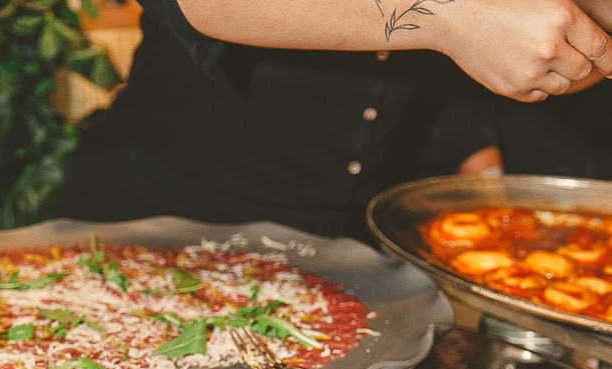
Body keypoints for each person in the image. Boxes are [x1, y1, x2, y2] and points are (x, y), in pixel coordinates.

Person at [60, 0, 612, 238]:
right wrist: (446, 17)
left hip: (347, 235)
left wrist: (487, 187)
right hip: (162, 214)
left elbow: (446, 75)